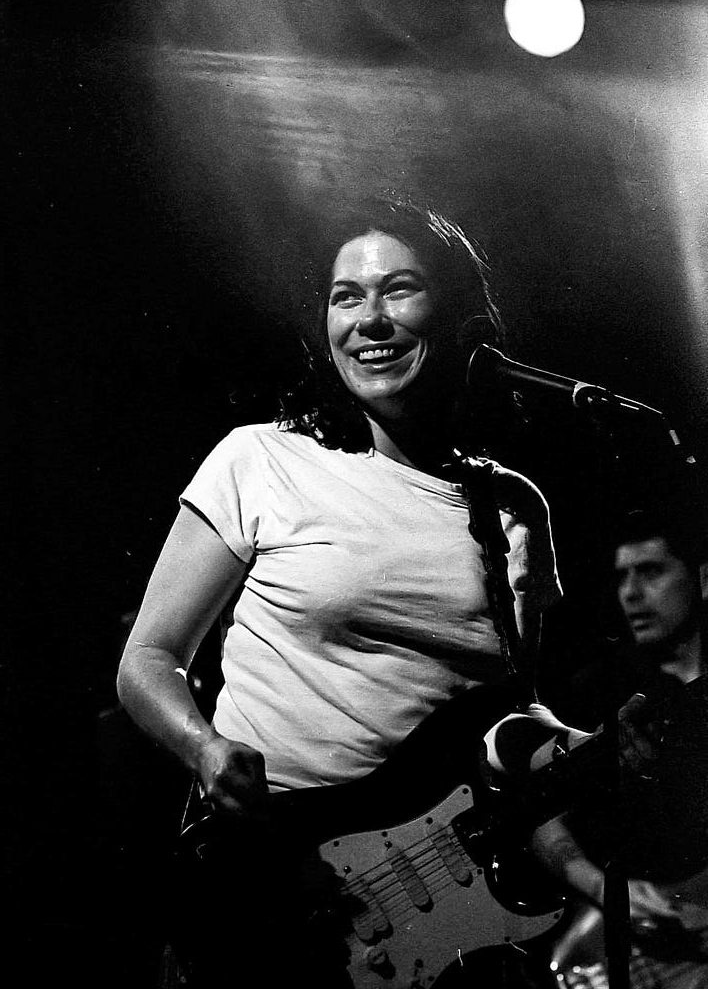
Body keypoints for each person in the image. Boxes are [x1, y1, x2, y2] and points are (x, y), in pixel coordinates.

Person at [116, 195, 563, 988]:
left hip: (439, 902)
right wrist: (205, 748)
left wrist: (591, 747)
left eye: (399, 289)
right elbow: (147, 658)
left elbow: (512, 711)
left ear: (457, 313)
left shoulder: (511, 506)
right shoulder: (260, 460)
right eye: (346, 297)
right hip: (274, 886)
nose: (370, 320)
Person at [530, 508, 708, 989]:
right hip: (623, 952)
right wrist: (609, 895)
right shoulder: (599, 689)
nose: (630, 593)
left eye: (650, 571)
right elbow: (539, 807)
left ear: (703, 579)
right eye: (622, 577)